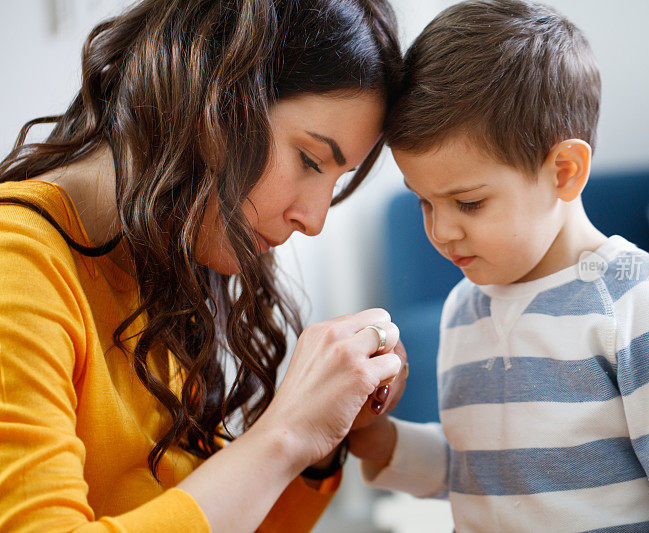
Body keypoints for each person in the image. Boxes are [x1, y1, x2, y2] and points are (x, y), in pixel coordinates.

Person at [0, 1, 408, 532]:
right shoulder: (17, 259)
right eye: (310, 160)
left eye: (335, 178)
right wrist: (284, 435)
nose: (313, 220)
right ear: (214, 91)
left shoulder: (163, 268)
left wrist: (320, 443)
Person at [347, 1, 649, 531]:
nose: (441, 231)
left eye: (468, 203)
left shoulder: (636, 303)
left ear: (564, 171)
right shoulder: (463, 308)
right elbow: (484, 469)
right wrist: (378, 440)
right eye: (424, 201)